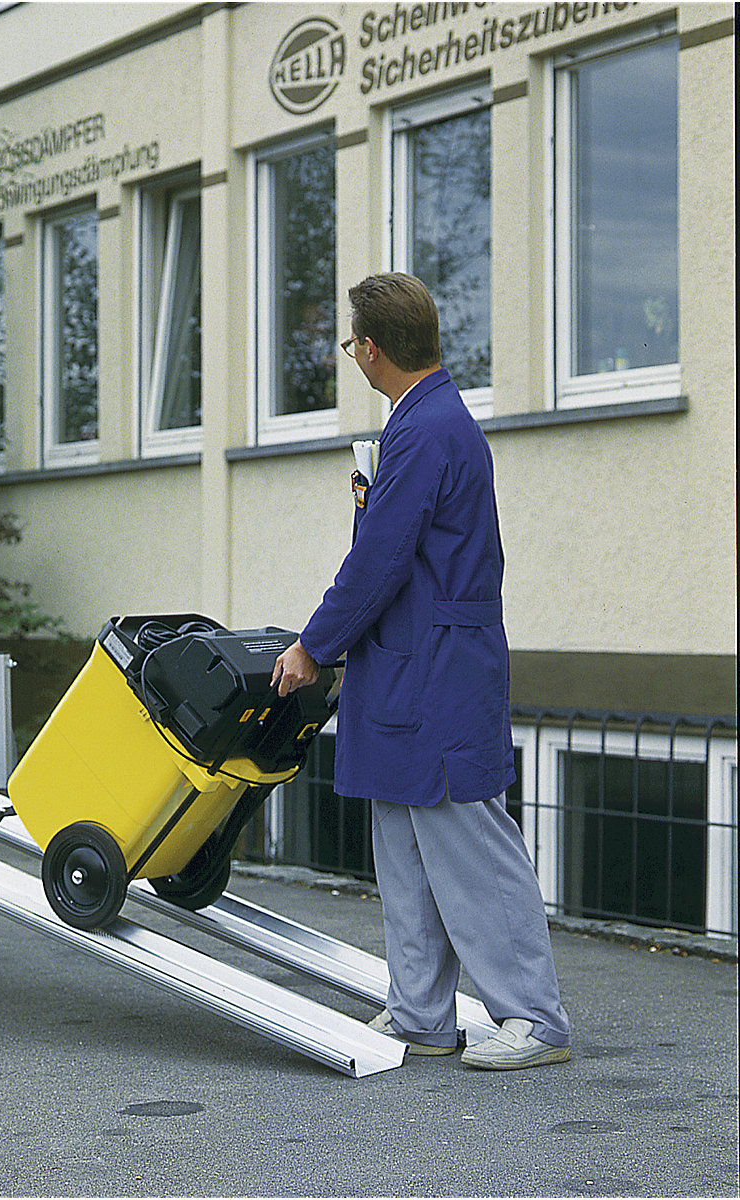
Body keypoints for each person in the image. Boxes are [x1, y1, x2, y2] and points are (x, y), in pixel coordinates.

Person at [271, 273, 571, 1070]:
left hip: (434, 672)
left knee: (467, 841)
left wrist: (311, 647)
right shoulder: (430, 423)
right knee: (404, 841)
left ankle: (535, 1021)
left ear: (371, 350)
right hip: (415, 667)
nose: (354, 357)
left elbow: (378, 559)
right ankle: (420, 1015)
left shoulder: (427, 430)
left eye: (351, 345)